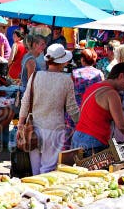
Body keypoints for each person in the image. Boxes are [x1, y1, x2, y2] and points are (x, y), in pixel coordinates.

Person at [19, 44, 80, 174]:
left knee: (35, 169)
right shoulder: (66, 80)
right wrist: (81, 122)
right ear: (62, 62)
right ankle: (42, 192)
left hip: (33, 128)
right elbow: (72, 108)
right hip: (55, 129)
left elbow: (25, 102)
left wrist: (20, 124)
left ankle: (35, 192)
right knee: (48, 168)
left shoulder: (36, 76)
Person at [71, 63, 124, 156]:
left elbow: (96, 113)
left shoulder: (94, 87)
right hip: (94, 140)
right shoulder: (112, 94)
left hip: (78, 136)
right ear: (121, 76)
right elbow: (122, 126)